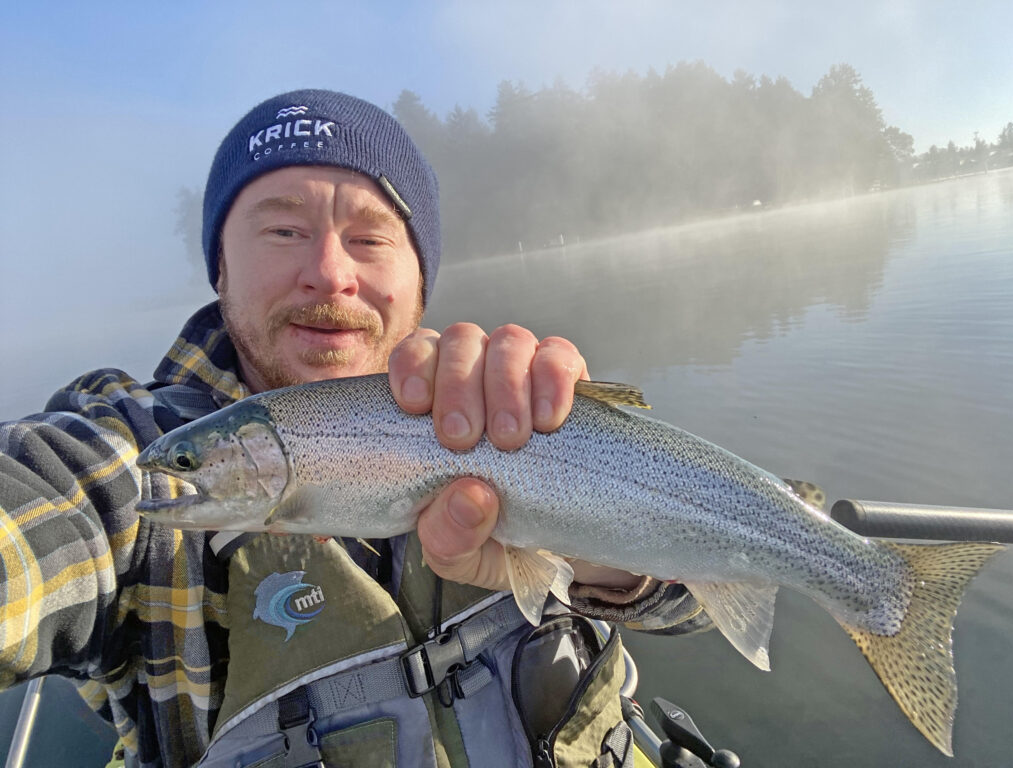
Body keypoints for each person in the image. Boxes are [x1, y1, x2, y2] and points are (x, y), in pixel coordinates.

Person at [0, 90, 707, 768]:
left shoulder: (505, 412)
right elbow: (41, 516)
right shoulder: (128, 452)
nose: (329, 273)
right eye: (284, 231)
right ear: (220, 266)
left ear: (421, 284)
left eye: (369, 237)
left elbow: (695, 606)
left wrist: (608, 551)